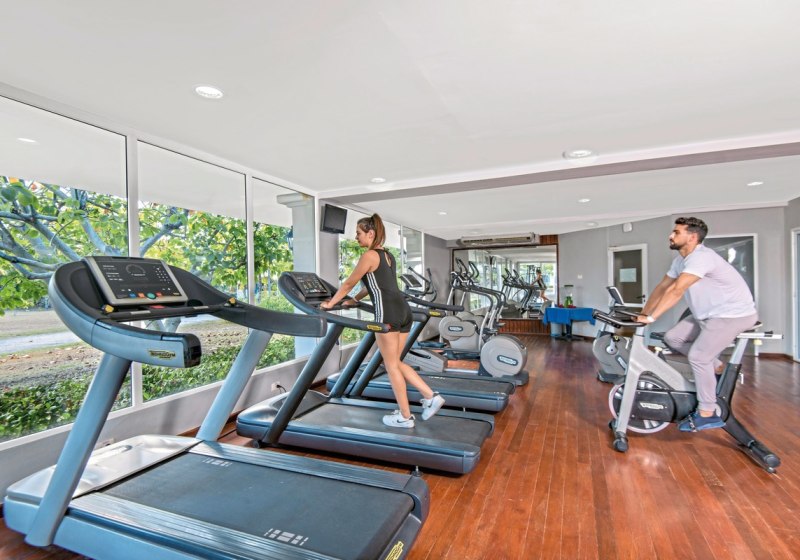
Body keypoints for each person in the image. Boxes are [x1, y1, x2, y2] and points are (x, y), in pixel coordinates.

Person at [320, 214, 445, 428]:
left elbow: (350, 282)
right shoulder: (388, 255)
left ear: (370, 233)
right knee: (396, 362)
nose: (356, 237)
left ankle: (405, 416)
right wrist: (354, 300)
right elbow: (374, 284)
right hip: (403, 311)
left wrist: (331, 303)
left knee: (391, 365)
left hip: (387, 313)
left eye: (358, 233)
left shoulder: (369, 255)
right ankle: (430, 396)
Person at [636, 217, 757, 432]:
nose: (671, 236)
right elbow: (663, 287)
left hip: (731, 314)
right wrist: (644, 314)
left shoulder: (702, 258)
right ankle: (717, 367)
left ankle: (707, 413)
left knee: (699, 357)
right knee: (673, 338)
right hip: (706, 315)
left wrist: (652, 318)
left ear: (692, 237)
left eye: (676, 232)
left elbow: (677, 290)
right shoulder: (680, 261)